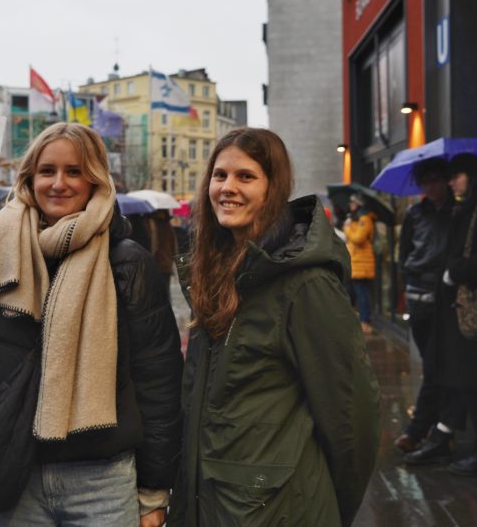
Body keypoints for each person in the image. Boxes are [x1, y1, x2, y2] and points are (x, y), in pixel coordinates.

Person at [0, 123, 183, 527]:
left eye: (74, 171)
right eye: (47, 171)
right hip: (17, 476)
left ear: (95, 179)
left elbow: (158, 381)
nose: (59, 183)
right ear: (29, 178)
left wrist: (154, 488)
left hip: (104, 480)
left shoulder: (128, 262)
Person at [169, 128, 380, 526]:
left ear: (273, 188)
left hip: (279, 510)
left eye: (245, 176)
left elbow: (352, 419)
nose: (227, 187)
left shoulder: (305, 284)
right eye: (220, 175)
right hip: (212, 505)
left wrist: (327, 507)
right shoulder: (213, 272)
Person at [404, 153, 477, 475]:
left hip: (474, 311)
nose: (451, 182)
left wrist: (453, 273)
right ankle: (444, 437)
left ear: (472, 176)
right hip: (458, 310)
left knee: (475, 382)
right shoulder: (468, 207)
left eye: (457, 176)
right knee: (461, 379)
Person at [394, 158, 452, 453]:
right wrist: (409, 278)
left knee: (435, 365)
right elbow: (404, 253)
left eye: (435, 180)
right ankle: (439, 427)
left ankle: (420, 430)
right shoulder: (416, 213)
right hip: (420, 296)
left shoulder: (456, 211)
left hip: (447, 296)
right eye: (425, 182)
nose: (430, 187)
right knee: (434, 366)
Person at [344, 192, 377, 334]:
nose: (350, 205)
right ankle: (362, 319)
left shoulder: (365, 219)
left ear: (358, 204)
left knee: (362, 293)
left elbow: (358, 239)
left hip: (362, 262)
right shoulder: (357, 219)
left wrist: (347, 228)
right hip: (356, 262)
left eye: (353, 202)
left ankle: (366, 321)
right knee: (357, 292)